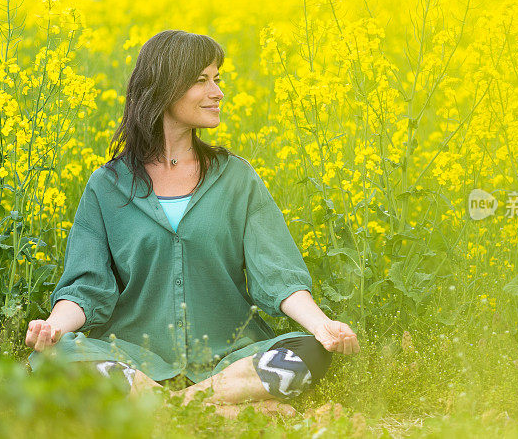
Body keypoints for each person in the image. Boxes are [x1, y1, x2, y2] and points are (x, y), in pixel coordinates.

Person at [25, 30, 359, 418]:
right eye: (202, 80)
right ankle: (229, 414)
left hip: (231, 356)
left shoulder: (237, 178)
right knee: (54, 358)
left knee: (309, 351)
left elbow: (278, 274)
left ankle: (169, 412)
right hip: (135, 358)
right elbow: (86, 288)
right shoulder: (107, 186)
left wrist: (323, 326)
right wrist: (52, 328)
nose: (217, 92)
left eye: (217, 79)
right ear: (164, 88)